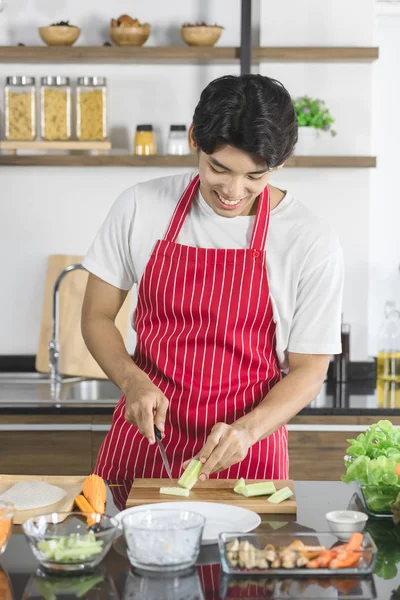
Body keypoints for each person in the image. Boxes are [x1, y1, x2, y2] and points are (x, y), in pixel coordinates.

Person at [81, 74, 343, 482]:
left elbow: (310, 368)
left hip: (247, 455)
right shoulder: (139, 206)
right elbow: (97, 315)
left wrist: (249, 430)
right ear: (193, 141)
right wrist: (132, 382)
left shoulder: (310, 239)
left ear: (280, 164)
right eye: (218, 168)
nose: (233, 191)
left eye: (255, 176)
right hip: (144, 444)